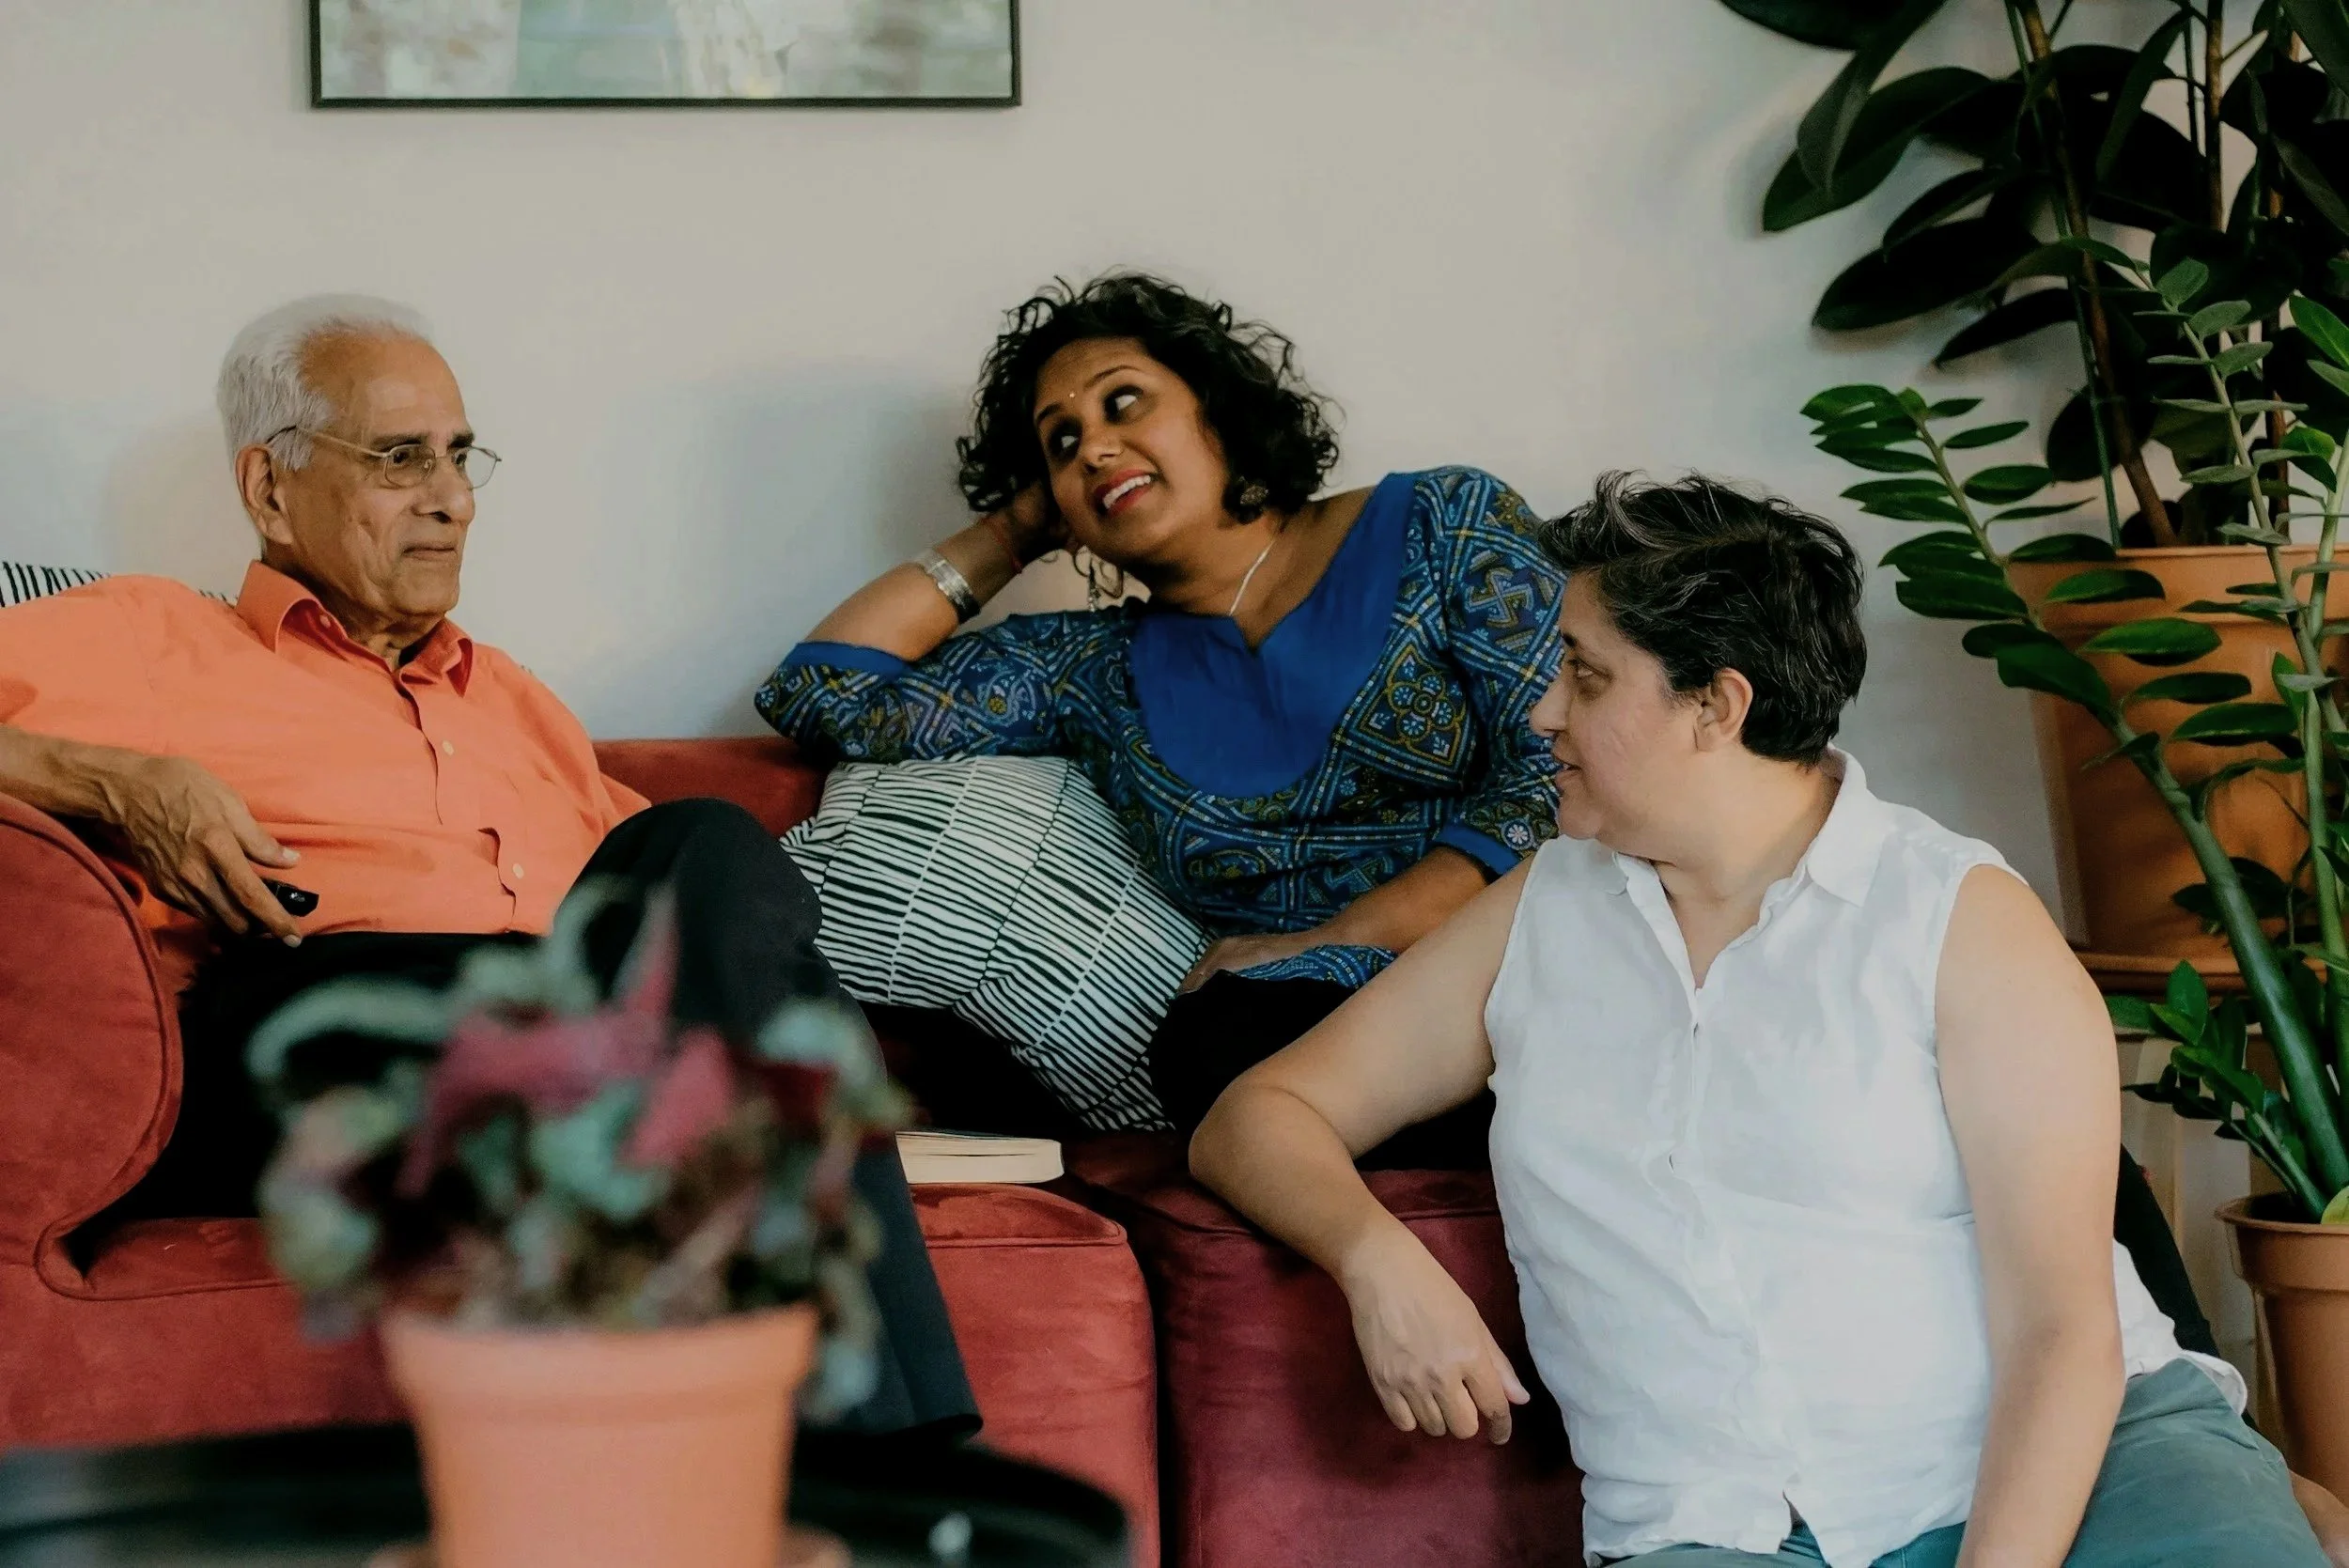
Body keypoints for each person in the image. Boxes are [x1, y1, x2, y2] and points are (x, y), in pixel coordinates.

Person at [1190, 473, 2346, 1566]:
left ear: (1716, 704)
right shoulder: (1540, 916)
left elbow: (2062, 1335)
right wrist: (1374, 1258)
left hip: (2083, 1472)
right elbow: (1259, 1114)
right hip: (1717, 1525)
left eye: (1585, 677)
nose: (1540, 713)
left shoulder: (1957, 918)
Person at [0, 295, 972, 1439]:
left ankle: (860, 1457)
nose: (451, 499)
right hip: (303, 1023)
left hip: (564, 1050)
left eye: (460, 458)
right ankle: (903, 1471)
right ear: (270, 487)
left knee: (711, 854)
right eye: (400, 459)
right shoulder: (144, 636)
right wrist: (116, 782)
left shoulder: (514, 699)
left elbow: (694, 933)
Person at [758, 272, 1564, 1154]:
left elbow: (1555, 774)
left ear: (1217, 408)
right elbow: (821, 692)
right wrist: (1022, 526)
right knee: (1206, 1045)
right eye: (1062, 443)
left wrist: (1336, 938)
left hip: (1514, 961)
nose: (1094, 448)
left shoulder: (1441, 524)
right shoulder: (1088, 670)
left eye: (1125, 404)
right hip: (1289, 1033)